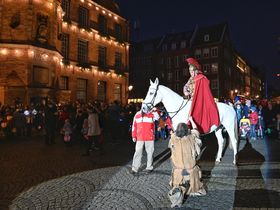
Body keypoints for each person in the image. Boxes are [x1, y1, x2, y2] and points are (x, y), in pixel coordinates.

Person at [168, 117, 206, 208]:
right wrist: (192, 120)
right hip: (191, 170)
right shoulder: (192, 138)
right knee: (195, 179)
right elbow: (196, 130)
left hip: (178, 171)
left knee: (178, 182)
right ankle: (193, 189)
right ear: (187, 131)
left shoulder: (173, 138)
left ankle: (178, 191)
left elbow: (172, 134)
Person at [183, 57, 220, 134]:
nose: (191, 73)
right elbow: (185, 86)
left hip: (199, 99)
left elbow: (203, 90)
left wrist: (194, 93)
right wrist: (186, 92)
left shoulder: (201, 78)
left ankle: (199, 126)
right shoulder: (190, 79)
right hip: (190, 98)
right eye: (189, 71)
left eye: (192, 71)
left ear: (196, 71)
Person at [130, 106, 159, 174]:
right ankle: (135, 168)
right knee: (138, 152)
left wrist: (154, 111)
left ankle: (149, 167)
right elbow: (134, 125)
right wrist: (134, 135)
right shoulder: (137, 114)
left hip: (149, 137)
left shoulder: (152, 113)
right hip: (139, 137)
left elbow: (157, 118)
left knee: (150, 152)